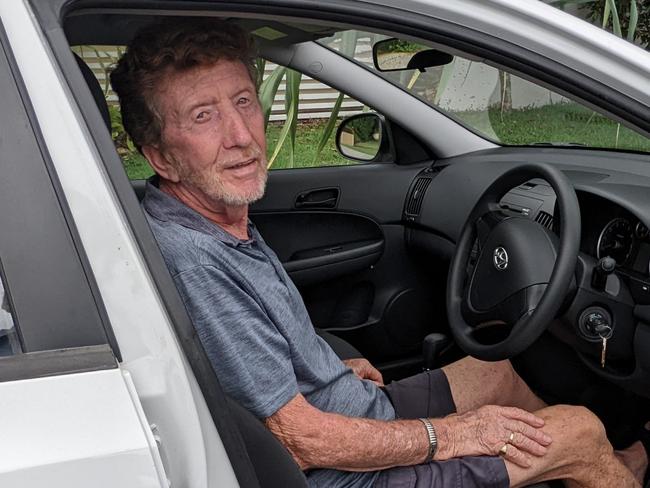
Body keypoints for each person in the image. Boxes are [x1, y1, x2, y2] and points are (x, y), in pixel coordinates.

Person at [110, 18, 647, 488]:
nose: (240, 136)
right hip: (344, 472)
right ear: (160, 154)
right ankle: (593, 460)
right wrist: (449, 436)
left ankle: (605, 465)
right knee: (577, 429)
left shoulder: (214, 219)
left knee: (499, 372)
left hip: (352, 411)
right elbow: (300, 441)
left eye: (243, 102)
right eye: (203, 116)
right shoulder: (196, 258)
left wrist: (330, 364)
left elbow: (261, 351)